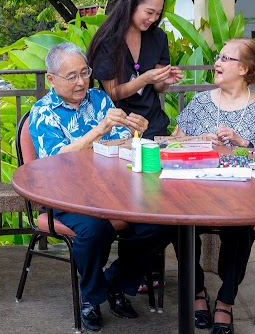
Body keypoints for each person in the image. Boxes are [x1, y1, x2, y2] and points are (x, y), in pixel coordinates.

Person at [28, 42, 174, 332]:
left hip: (112, 190)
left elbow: (121, 142)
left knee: (161, 223)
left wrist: (137, 130)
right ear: (51, 79)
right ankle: (92, 298)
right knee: (95, 229)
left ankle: (114, 284)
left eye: (84, 73)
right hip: (65, 195)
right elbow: (55, 161)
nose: (81, 81)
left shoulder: (99, 99)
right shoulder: (43, 112)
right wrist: (99, 130)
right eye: (71, 76)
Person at [172, 38, 255, 334]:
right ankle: (196, 294)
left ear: (244, 68)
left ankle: (226, 302)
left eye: (226, 59)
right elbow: (173, 145)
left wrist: (243, 144)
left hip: (243, 198)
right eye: (218, 57)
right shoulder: (199, 103)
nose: (217, 63)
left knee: (243, 227)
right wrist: (201, 140)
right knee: (173, 223)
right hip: (195, 193)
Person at [86, 0, 183, 140]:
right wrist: (145, 79)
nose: (153, 19)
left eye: (158, 14)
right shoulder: (107, 40)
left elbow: (158, 87)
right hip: (118, 126)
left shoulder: (158, 37)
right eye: (149, 12)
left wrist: (165, 80)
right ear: (132, 5)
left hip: (154, 124)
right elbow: (113, 92)